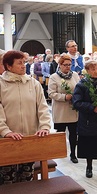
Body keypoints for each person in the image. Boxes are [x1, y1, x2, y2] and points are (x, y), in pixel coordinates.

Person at [0, 50, 51, 185]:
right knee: (7, 181)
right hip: (7, 140)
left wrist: (44, 127)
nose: (24, 66)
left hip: (29, 138)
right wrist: (6, 132)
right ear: (8, 66)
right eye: (19, 63)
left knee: (27, 180)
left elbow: (42, 107)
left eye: (24, 62)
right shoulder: (1, 84)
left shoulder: (33, 83)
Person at [48, 53, 80, 163]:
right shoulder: (54, 77)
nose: (67, 67)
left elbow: (79, 89)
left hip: (72, 109)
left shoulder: (75, 75)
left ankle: (73, 154)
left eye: (69, 64)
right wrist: (64, 97)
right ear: (60, 65)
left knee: (73, 133)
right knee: (60, 133)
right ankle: (59, 152)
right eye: (65, 65)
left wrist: (76, 97)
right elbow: (51, 93)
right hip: (60, 109)